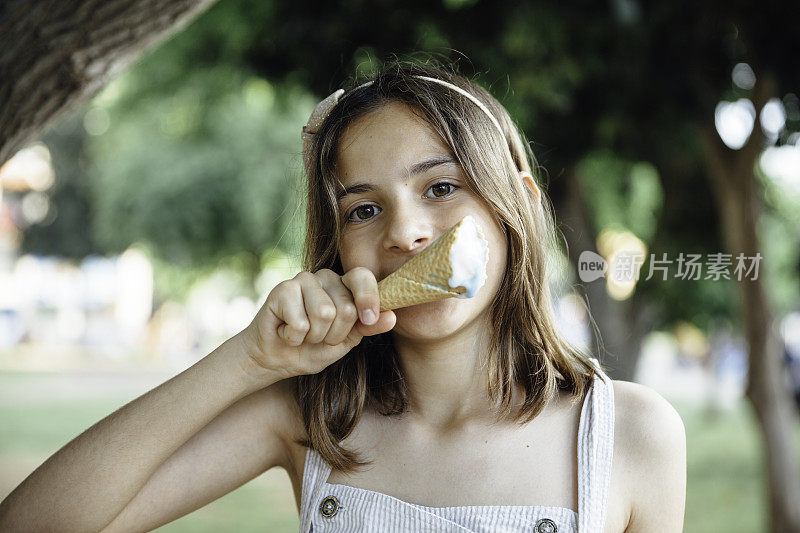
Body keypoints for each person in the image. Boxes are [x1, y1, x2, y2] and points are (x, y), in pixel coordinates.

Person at [0, 60, 686, 533]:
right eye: (363, 209)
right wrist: (246, 359)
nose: (407, 232)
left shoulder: (629, 434)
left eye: (441, 187)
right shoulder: (313, 416)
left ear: (519, 210)